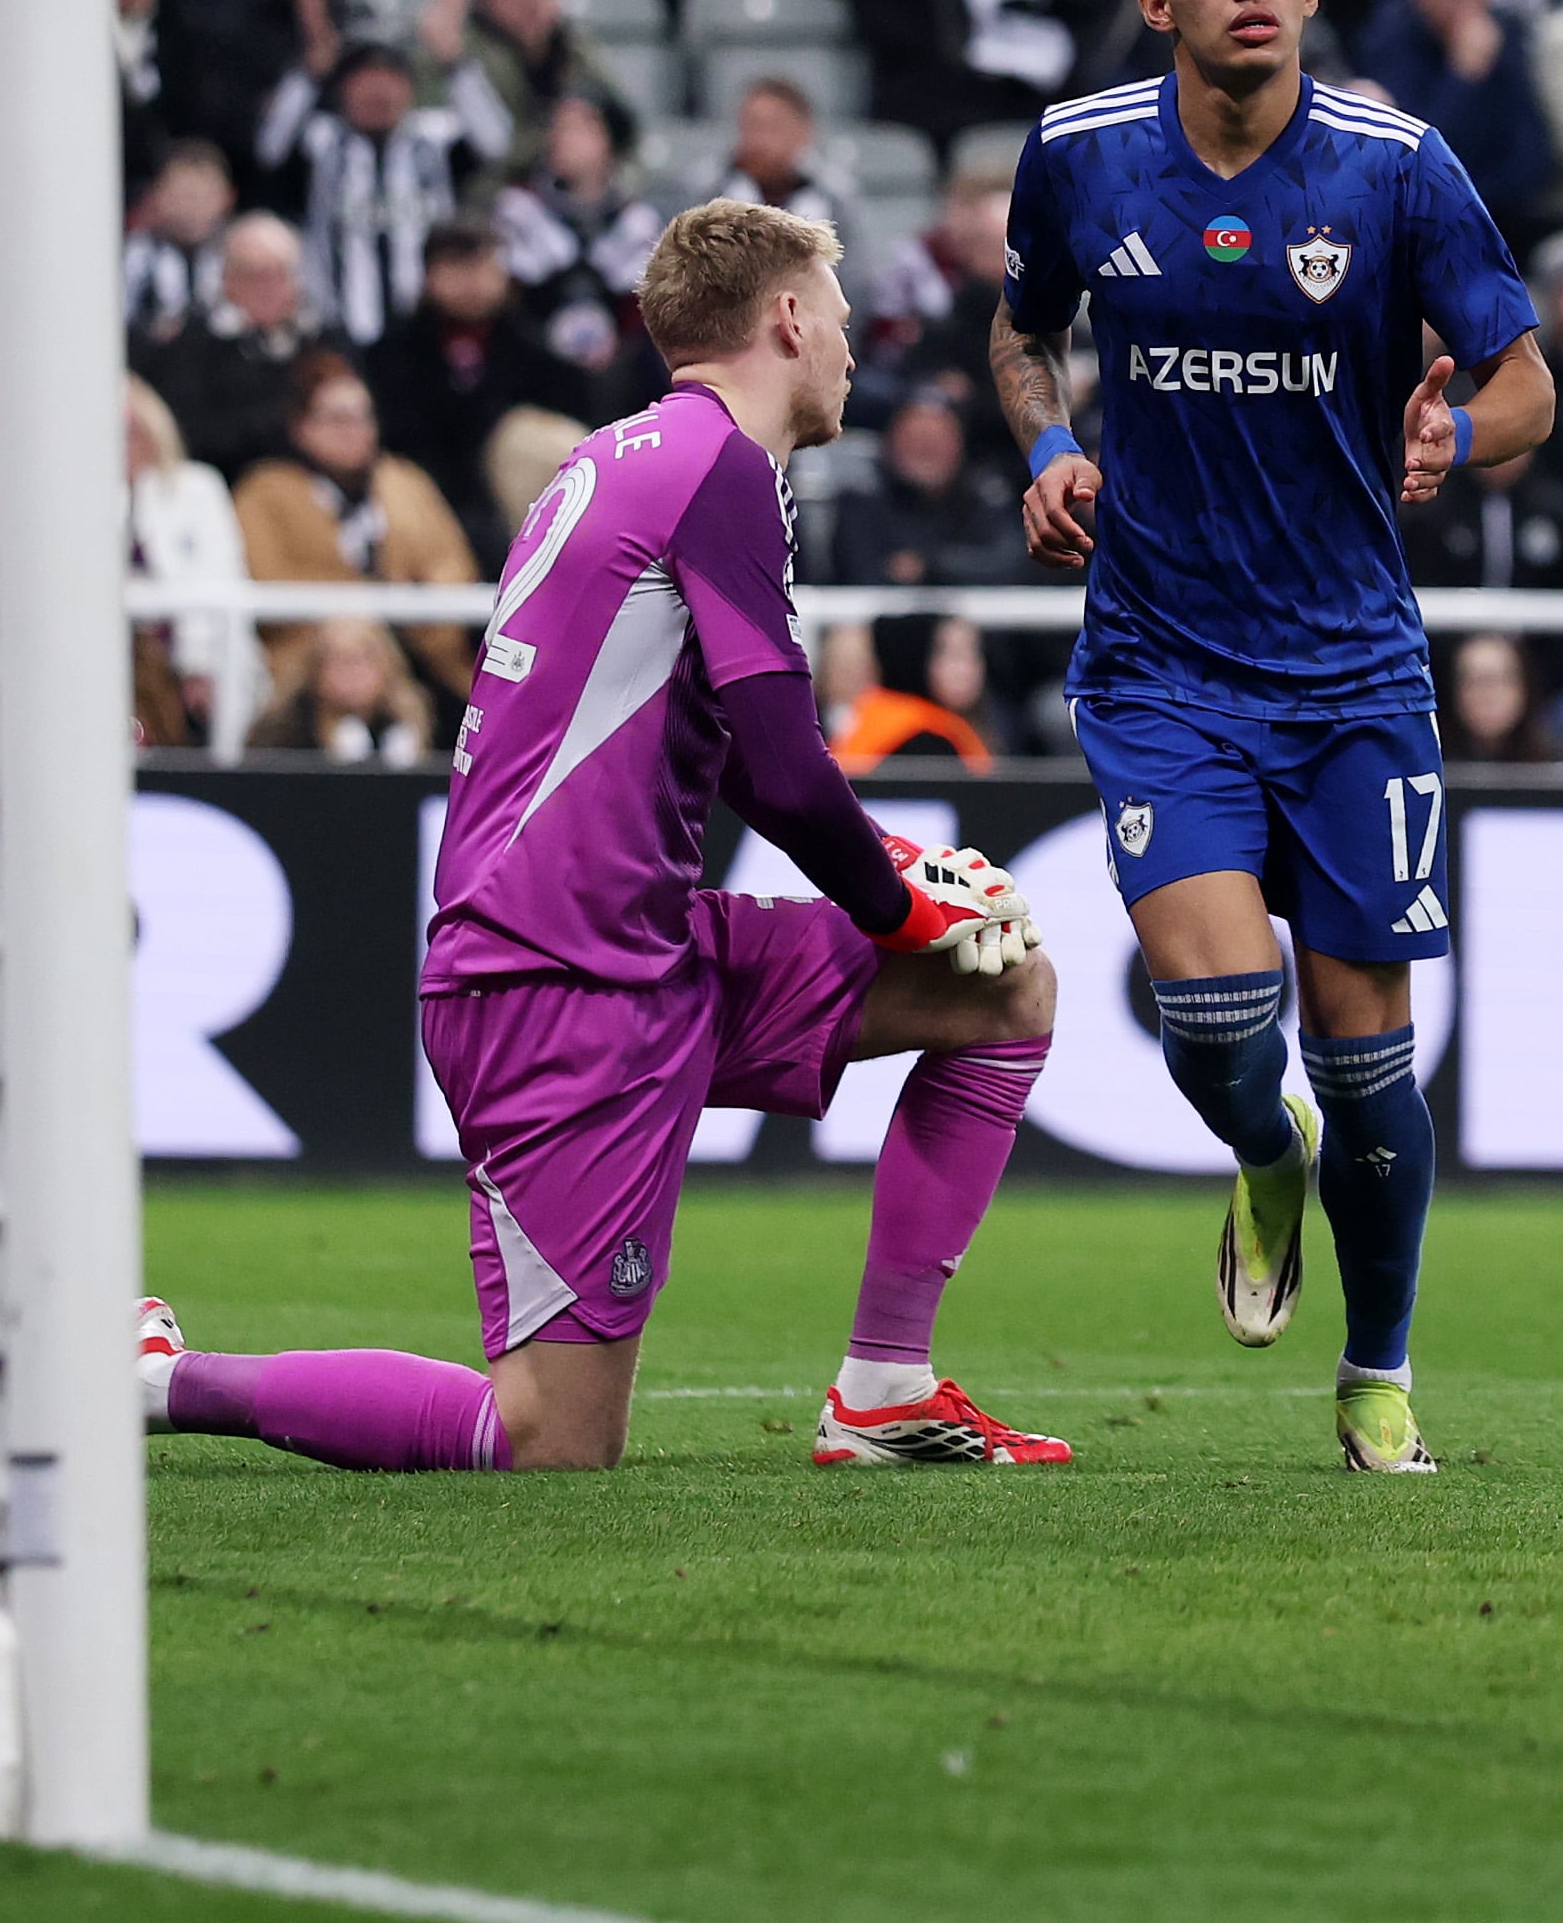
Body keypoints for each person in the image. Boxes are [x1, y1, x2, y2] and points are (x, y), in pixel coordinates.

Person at [138, 203, 1063, 1479]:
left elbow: (732, 749)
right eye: (841, 320)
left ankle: (884, 1388)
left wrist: (897, 872)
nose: (852, 349)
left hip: (645, 942)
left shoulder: (625, 457)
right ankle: (164, 1380)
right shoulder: (719, 471)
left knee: (1002, 987)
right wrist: (896, 899)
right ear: (788, 319)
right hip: (556, 984)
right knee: (547, 1438)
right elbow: (786, 774)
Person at [991, 0, 1549, 1478]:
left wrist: (1464, 425)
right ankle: (1259, 1148)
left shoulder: (1394, 169)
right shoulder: (1083, 158)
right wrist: (1043, 453)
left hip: (1354, 676)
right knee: (1225, 1025)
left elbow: (1527, 383)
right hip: (1164, 659)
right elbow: (1022, 331)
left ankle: (1376, 1376)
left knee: (1373, 1054)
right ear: (1161, 1)